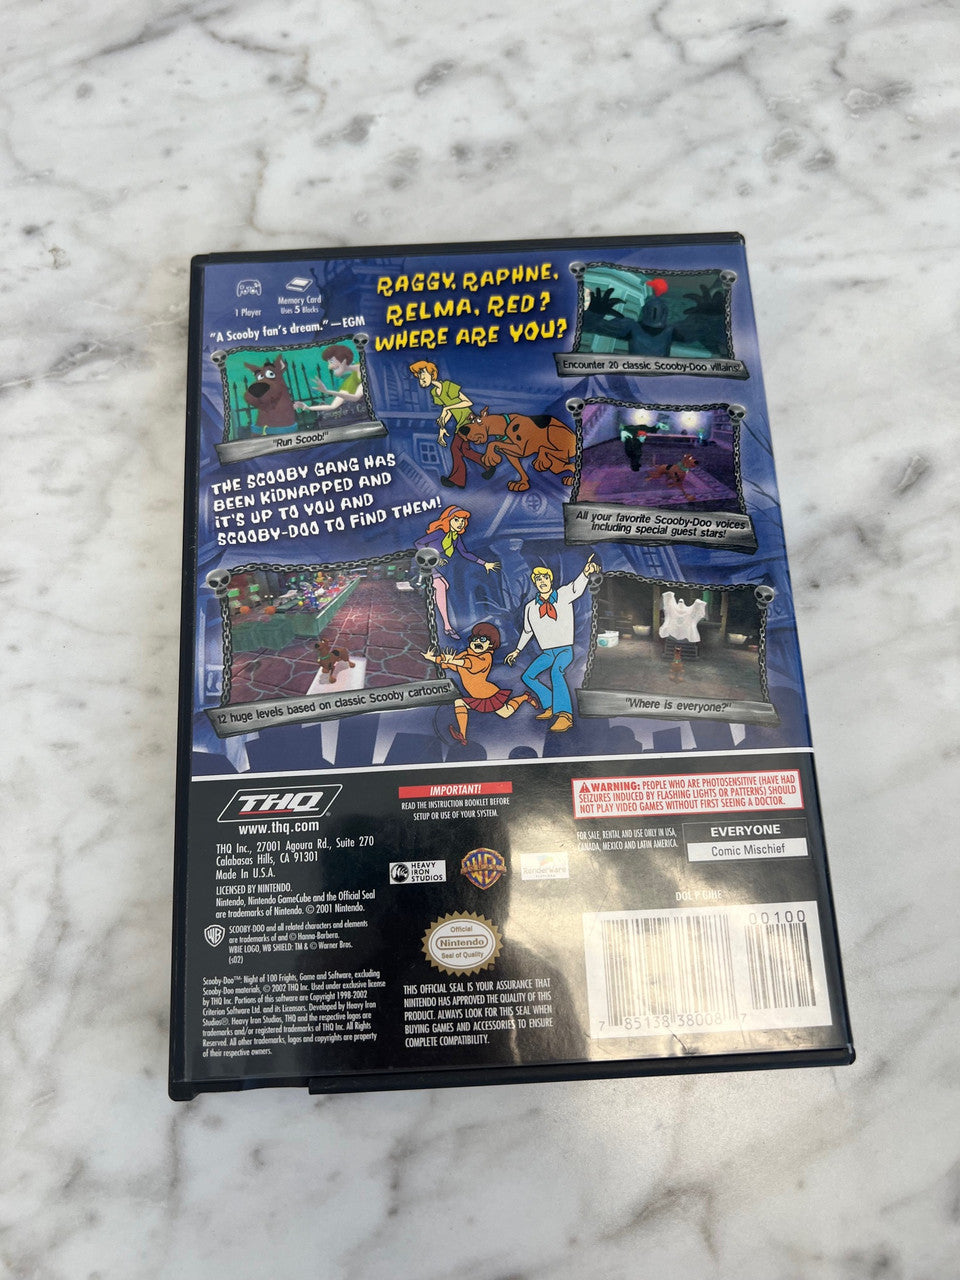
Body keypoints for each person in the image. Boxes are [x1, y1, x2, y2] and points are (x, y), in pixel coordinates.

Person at [505, 555, 600, 733]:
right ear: (535, 583)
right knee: (528, 676)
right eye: (538, 579)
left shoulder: (563, 595)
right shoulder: (531, 607)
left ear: (551, 580)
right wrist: (516, 651)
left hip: (564, 650)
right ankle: (550, 704)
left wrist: (585, 573)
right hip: (547, 653)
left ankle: (565, 715)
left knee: (556, 673)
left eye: (545, 578)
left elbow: (576, 587)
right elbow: (527, 631)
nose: (542, 582)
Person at [424, 623, 535, 745]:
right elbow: (449, 663)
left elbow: (471, 664)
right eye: (475, 639)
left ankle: (524, 697)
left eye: (483, 639)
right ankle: (462, 735)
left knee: (506, 712)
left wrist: (454, 660)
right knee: (460, 703)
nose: (477, 642)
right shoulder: (465, 654)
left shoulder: (486, 657)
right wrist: (432, 658)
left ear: (491, 644)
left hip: (489, 694)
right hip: (476, 695)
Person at [414, 506, 499, 640]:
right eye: (456, 520)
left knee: (445, 586)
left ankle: (431, 605)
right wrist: (433, 557)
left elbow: (465, 553)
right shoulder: (440, 533)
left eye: (462, 520)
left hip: (433, 567)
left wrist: (484, 563)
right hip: (426, 564)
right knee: (440, 586)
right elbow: (418, 543)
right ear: (448, 520)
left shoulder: (455, 537)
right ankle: (447, 626)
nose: (460, 523)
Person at [409, 359, 489, 488]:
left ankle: (458, 480)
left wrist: (447, 408)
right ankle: (488, 466)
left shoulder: (448, 386)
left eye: (422, 375)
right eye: (419, 377)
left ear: (432, 373)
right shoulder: (435, 393)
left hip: (468, 420)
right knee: (464, 450)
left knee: (456, 449)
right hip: (460, 422)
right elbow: (448, 412)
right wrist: (442, 426)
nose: (421, 379)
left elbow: (468, 402)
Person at [295, 344, 364, 412]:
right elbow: (333, 406)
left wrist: (327, 391)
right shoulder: (349, 382)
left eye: (331, 362)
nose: (329, 367)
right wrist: (308, 408)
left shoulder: (365, 365)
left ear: (344, 361)